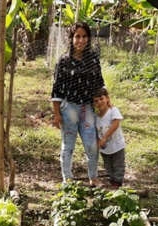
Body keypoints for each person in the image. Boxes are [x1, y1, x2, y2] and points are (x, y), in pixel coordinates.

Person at [51, 22, 105, 186]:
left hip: (88, 108)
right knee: (68, 146)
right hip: (69, 109)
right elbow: (56, 90)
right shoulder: (64, 61)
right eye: (77, 37)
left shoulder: (93, 59)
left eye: (84, 37)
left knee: (91, 145)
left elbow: (99, 84)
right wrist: (57, 114)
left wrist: (104, 108)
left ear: (88, 39)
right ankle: (67, 180)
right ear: (71, 39)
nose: (81, 40)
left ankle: (93, 178)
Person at [94, 88, 126, 188]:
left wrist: (105, 137)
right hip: (105, 148)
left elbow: (115, 124)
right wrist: (99, 140)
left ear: (107, 98)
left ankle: (117, 182)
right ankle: (112, 179)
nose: (99, 102)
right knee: (108, 165)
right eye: (96, 101)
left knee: (118, 164)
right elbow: (96, 131)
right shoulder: (96, 117)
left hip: (117, 146)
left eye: (101, 99)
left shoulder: (113, 111)